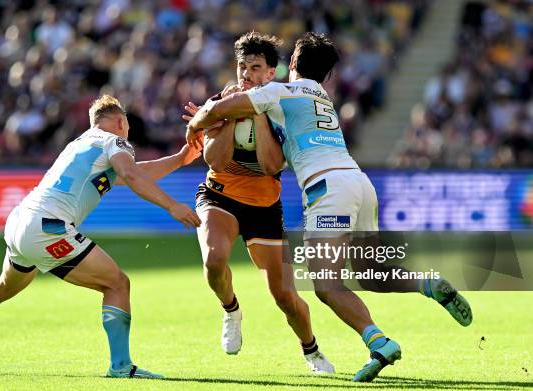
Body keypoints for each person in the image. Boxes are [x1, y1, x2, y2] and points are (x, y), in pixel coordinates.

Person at [185, 32, 472, 383]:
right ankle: (427, 284)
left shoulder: (279, 91)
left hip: (327, 189)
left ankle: (379, 343)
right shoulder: (322, 96)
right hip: (360, 183)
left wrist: (194, 126)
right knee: (370, 270)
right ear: (327, 76)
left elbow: (218, 109)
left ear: (290, 66)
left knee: (325, 285)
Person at [0, 95, 202, 379]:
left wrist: (179, 159)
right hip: (47, 228)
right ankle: (121, 367)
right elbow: (132, 174)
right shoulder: (115, 141)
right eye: (126, 126)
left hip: (19, 222)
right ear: (121, 122)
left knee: (5, 286)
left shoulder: (81, 143)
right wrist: (172, 205)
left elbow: (132, 173)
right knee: (117, 284)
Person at [181, 31, 334, 373]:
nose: (246, 74)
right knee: (214, 260)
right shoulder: (222, 103)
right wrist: (233, 112)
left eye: (255, 67)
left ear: (270, 74)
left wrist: (258, 111)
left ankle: (311, 350)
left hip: (265, 206)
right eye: (242, 67)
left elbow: (269, 165)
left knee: (285, 297)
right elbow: (216, 161)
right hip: (220, 194)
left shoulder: (283, 107)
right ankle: (231, 310)